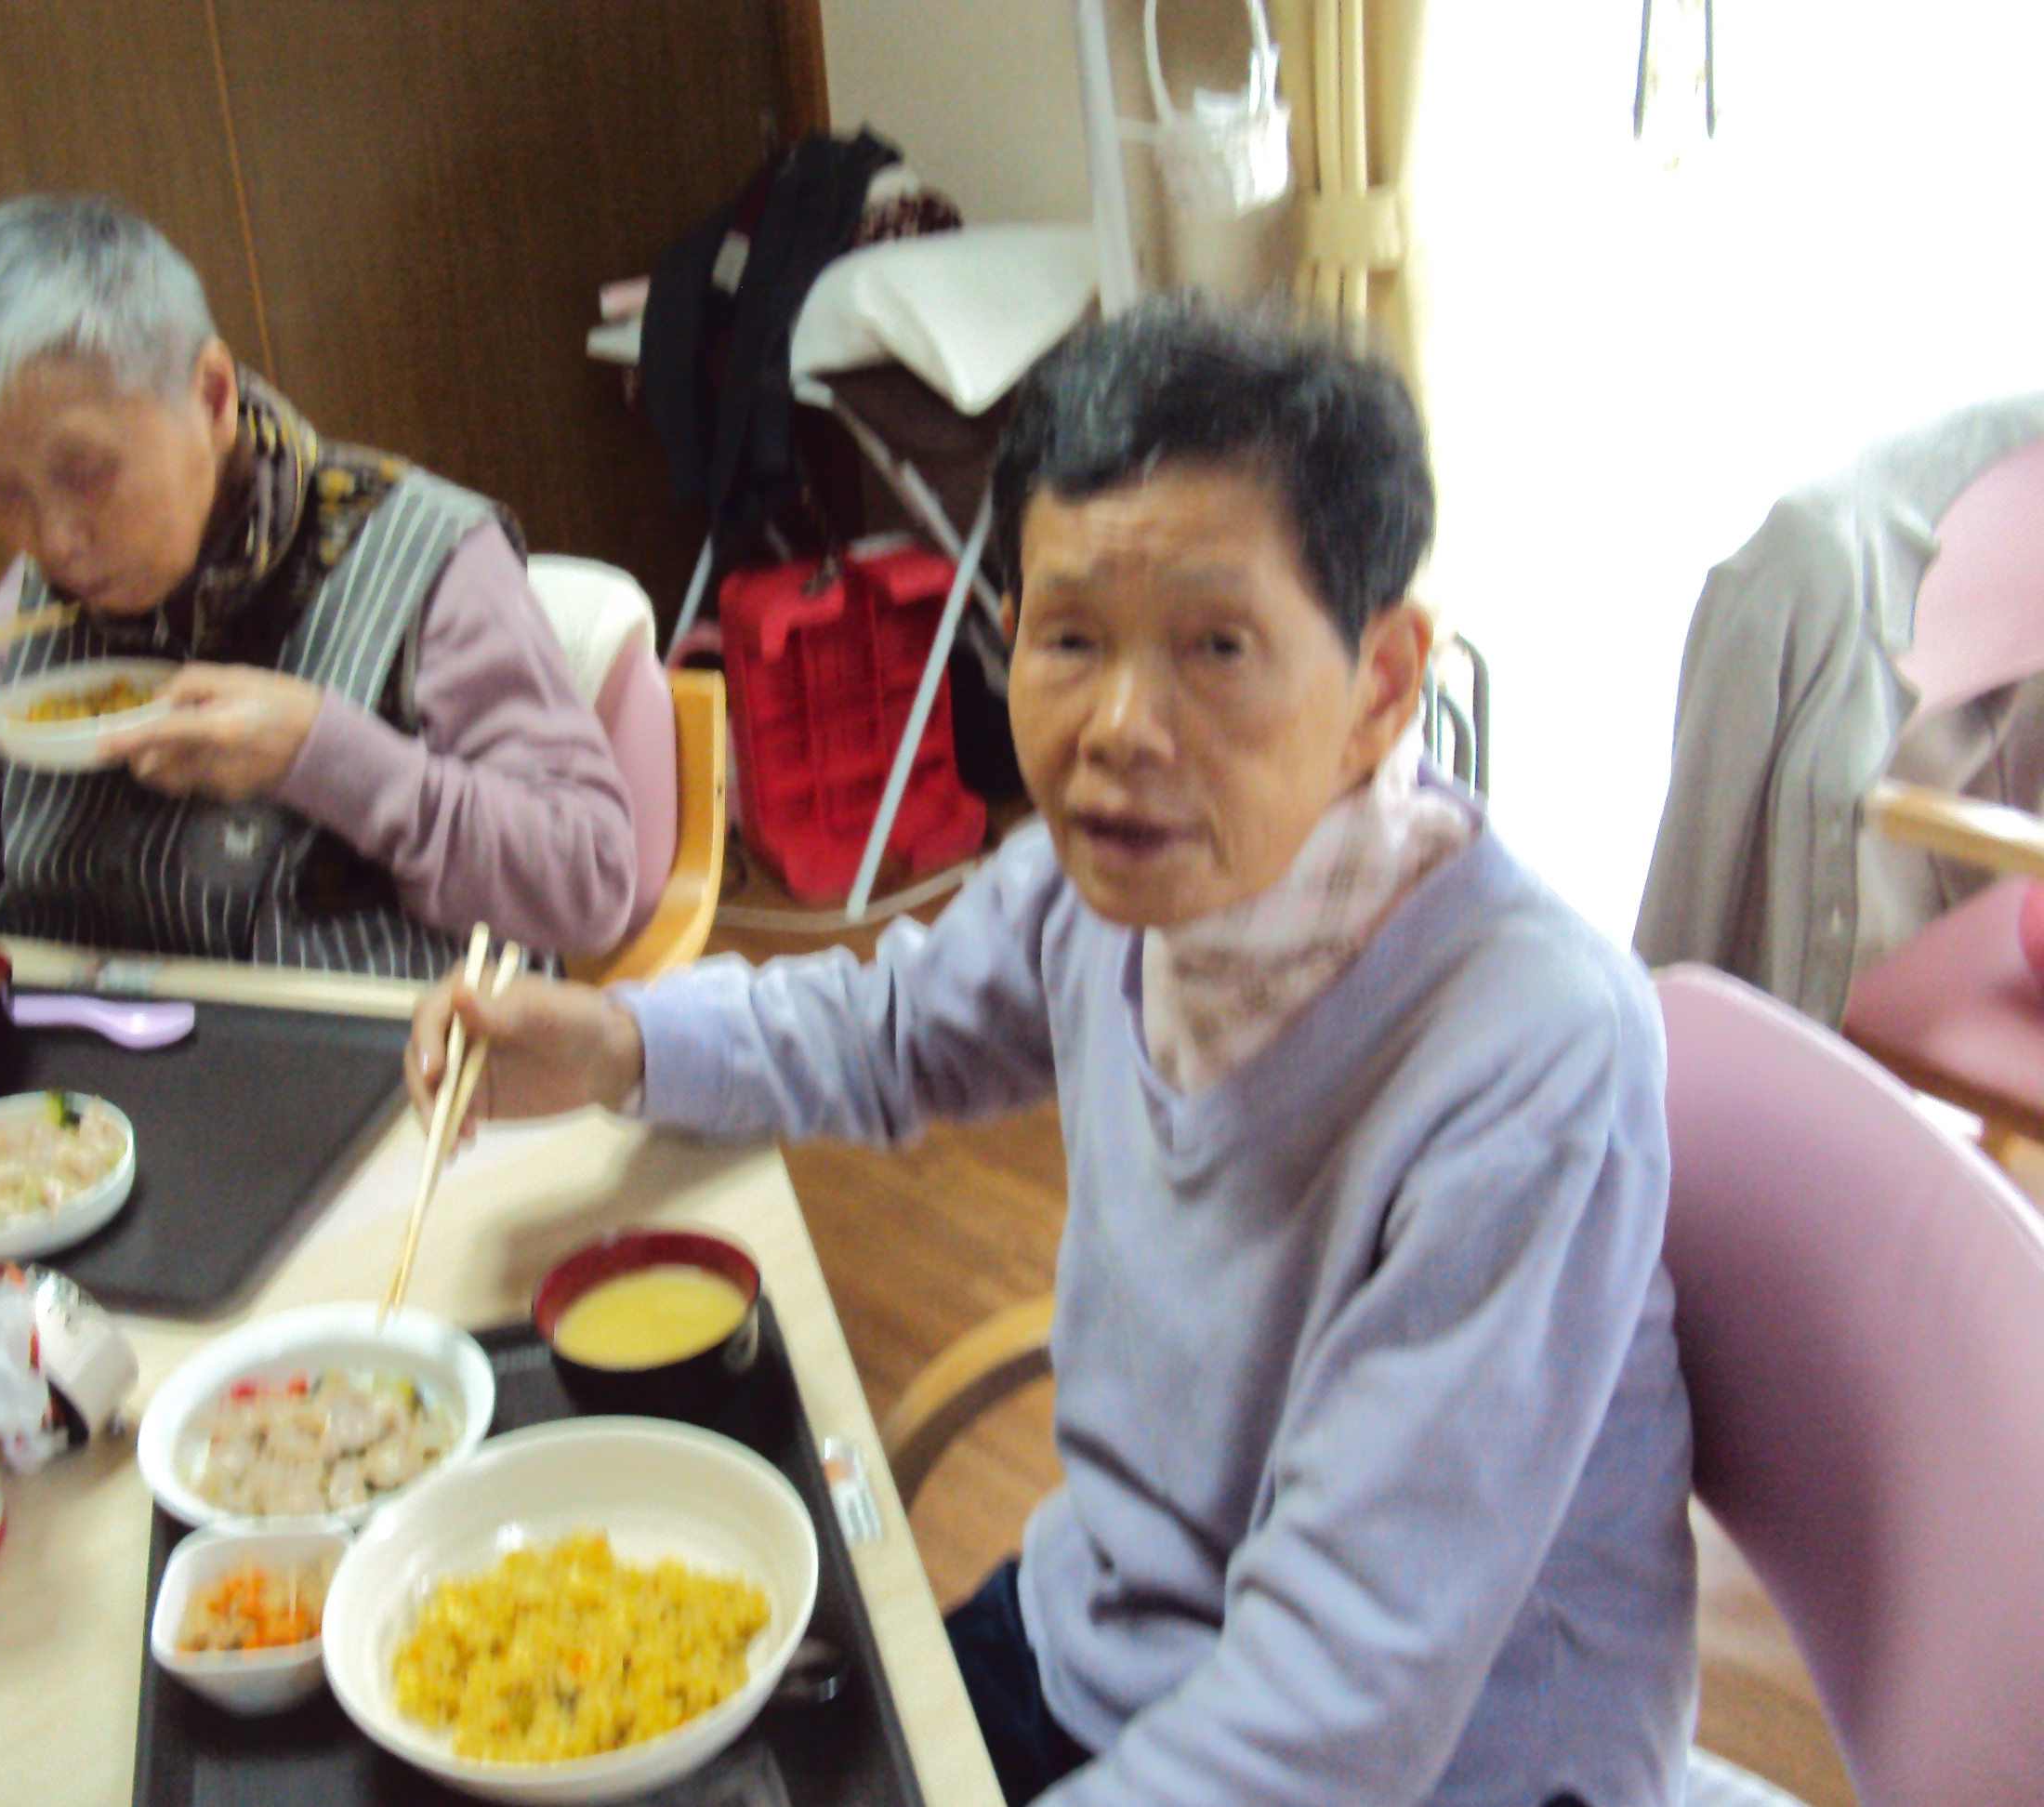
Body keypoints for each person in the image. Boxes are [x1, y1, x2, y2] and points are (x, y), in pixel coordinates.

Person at [405, 299, 1694, 1806]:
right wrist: (614, 1041)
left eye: (1217, 646)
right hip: (1108, 1640)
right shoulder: (1109, 887)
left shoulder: (1530, 1057)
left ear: (1383, 685)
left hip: (1448, 1764)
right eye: (1071, 637)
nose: (1120, 728)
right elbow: (886, 1028)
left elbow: (1340, 1707)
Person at [0, 194, 638, 977]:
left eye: (85, 472)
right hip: (81, 1064)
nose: (53, 540)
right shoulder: (38, 599)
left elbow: (588, 883)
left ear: (214, 396)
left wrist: (318, 752)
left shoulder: (426, 558)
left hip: (366, 1067)